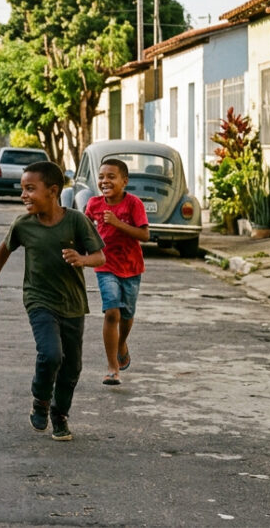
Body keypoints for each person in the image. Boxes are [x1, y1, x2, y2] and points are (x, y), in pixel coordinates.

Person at [0, 160, 105, 441]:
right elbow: (4, 249)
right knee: (50, 354)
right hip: (39, 299)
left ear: (53, 191)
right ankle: (41, 399)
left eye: (30, 189)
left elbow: (100, 256)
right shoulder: (24, 224)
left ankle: (60, 415)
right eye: (23, 189)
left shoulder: (76, 221)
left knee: (72, 367)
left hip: (73, 303)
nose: (23, 195)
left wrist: (82, 259)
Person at [84, 158, 149, 387]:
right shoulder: (93, 204)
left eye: (111, 177)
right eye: (101, 177)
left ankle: (122, 343)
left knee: (127, 314)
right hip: (105, 265)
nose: (105, 181)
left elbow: (144, 235)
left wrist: (117, 223)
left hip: (131, 267)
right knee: (112, 312)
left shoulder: (133, 204)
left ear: (124, 181)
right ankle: (112, 368)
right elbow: (84, 229)